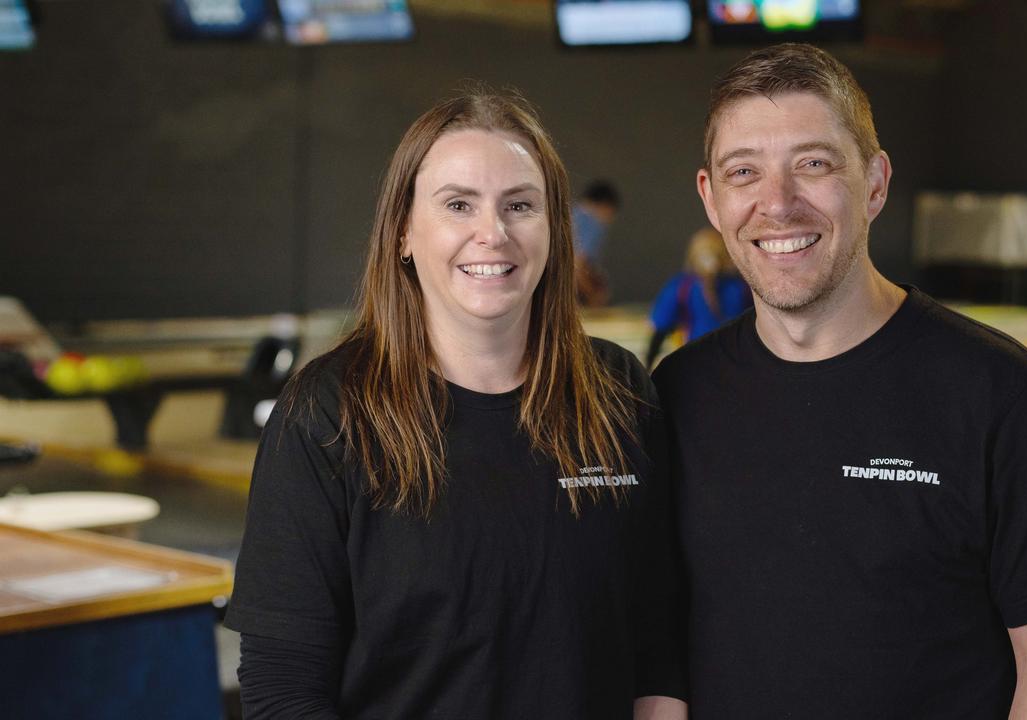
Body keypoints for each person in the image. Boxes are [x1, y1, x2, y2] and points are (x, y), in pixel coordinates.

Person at [652, 44, 1027, 719]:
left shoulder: (1000, 393)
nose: (777, 203)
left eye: (813, 164)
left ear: (874, 183)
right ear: (711, 198)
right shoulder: (679, 392)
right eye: (743, 172)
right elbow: (659, 642)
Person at [226, 91, 687, 720]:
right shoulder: (328, 415)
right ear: (404, 233)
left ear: (555, 233)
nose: (492, 234)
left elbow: (656, 634)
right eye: (458, 204)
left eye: (520, 205)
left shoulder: (618, 391)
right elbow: (283, 688)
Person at [644, 227, 750, 368]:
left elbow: (659, 331)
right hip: (738, 363)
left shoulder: (681, 287)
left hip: (695, 365)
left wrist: (648, 366)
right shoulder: (744, 286)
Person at [572, 180, 620, 306]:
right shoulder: (592, 222)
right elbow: (576, 266)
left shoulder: (569, 215)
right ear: (605, 206)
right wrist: (593, 297)